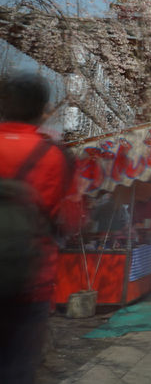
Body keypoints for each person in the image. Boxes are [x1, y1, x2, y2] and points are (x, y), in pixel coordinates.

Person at [0, 72, 83, 383]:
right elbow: (72, 219)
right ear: (43, 110)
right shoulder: (56, 155)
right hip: (30, 278)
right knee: (17, 368)